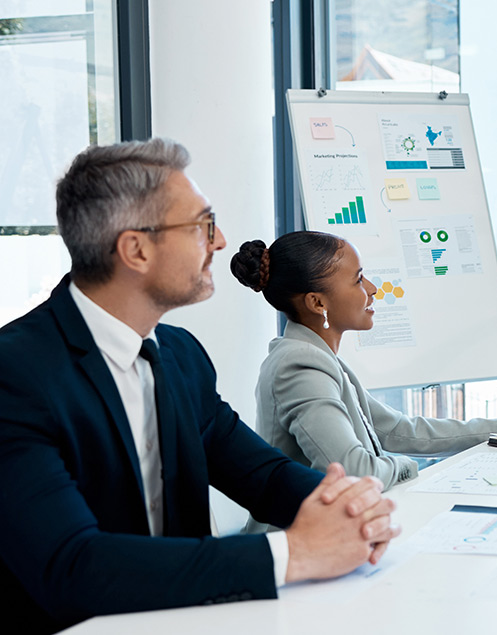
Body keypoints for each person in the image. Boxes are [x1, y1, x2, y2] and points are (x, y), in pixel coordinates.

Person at [0, 139, 400, 634]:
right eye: (203, 226)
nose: (220, 241)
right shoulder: (15, 373)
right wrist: (293, 553)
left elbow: (264, 477)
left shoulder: (181, 356)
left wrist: (353, 509)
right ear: (136, 249)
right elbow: (73, 565)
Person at [230, 232, 497, 496]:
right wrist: (412, 469)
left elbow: (397, 430)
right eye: (357, 280)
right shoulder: (300, 369)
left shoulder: (318, 359)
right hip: (298, 552)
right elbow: (354, 471)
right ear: (317, 302)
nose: (372, 289)